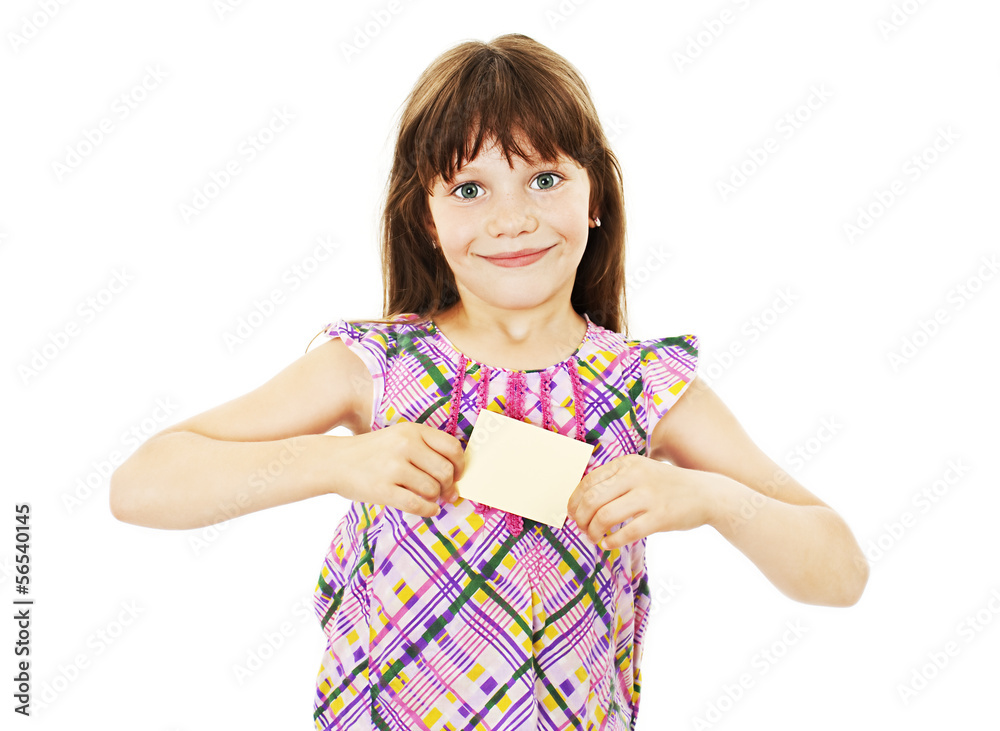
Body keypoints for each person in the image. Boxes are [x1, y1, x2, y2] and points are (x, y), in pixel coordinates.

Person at [110, 33, 869, 731]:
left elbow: (842, 573)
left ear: (596, 197)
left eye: (545, 178)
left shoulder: (645, 387)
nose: (512, 219)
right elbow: (141, 486)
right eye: (470, 189)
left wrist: (709, 498)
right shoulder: (375, 368)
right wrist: (337, 461)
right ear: (426, 216)